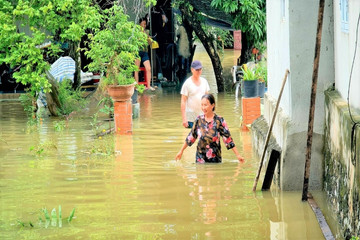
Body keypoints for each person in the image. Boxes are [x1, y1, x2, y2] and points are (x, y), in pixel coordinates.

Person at [175, 94, 245, 163]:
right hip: (200, 159)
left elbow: (228, 139)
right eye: (202, 105)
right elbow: (191, 137)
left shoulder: (219, 120)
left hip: (215, 159)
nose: (203, 108)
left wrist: (238, 155)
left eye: (205, 105)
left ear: (212, 105)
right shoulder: (198, 120)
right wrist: (181, 151)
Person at [180, 60, 210, 128]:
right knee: (190, 137)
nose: (199, 71)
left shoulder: (204, 82)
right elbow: (183, 101)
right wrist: (184, 119)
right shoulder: (187, 83)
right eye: (197, 70)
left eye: (200, 69)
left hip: (203, 116)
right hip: (190, 118)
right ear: (192, 70)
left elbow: (208, 100)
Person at [134, 17, 155, 91]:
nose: (144, 26)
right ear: (140, 24)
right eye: (143, 24)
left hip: (145, 52)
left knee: (148, 69)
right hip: (138, 52)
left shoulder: (147, 32)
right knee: (136, 69)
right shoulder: (136, 32)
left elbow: (149, 44)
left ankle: (148, 86)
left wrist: (149, 38)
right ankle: (136, 86)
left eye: (145, 24)